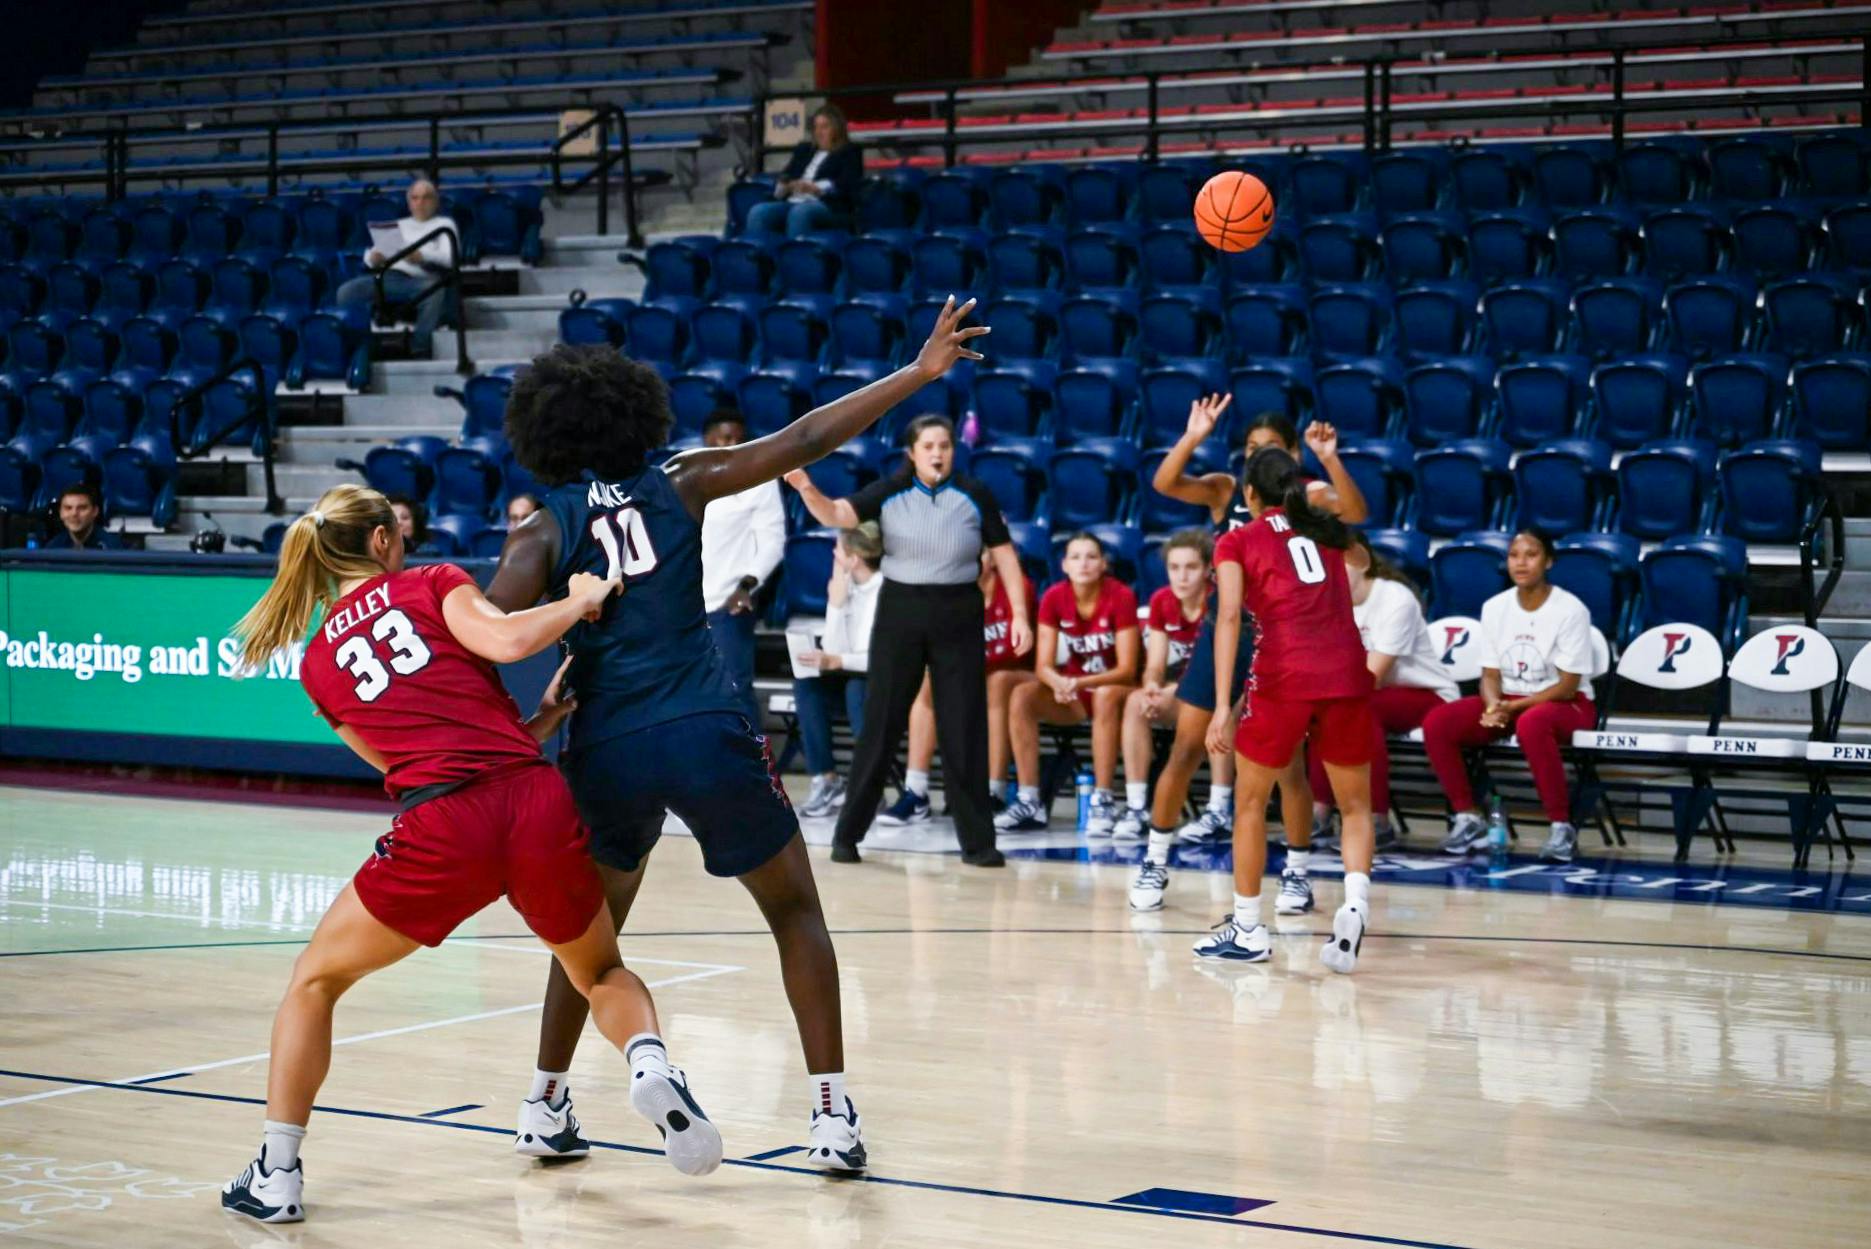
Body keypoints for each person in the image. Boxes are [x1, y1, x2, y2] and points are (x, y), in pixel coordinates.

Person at [486, 297, 988, 1172]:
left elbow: (485, 631)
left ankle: (543, 1102)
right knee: (794, 908)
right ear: (633, 409)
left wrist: (516, 720)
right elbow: (800, 441)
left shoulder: (541, 526)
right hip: (701, 724)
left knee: (588, 940)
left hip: (604, 742)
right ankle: (829, 1116)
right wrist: (915, 374)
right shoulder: (678, 477)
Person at [219, 485, 719, 1226]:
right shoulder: (432, 582)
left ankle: (277, 1171)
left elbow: (405, 755)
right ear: (385, 541)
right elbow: (509, 640)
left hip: (445, 824)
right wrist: (581, 597)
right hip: (531, 799)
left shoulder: (319, 664)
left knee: (314, 982)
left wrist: (533, 720)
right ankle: (648, 1062)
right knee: (600, 970)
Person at [1128, 399, 1367, 915]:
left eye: (1272, 449)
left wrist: (1330, 461)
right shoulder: (1227, 491)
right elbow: (1165, 483)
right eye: (1254, 449)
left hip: (1284, 640)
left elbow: (1353, 513)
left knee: (1289, 770)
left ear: (1293, 452)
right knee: (1188, 748)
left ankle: (1297, 874)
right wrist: (1192, 436)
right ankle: (1155, 859)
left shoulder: (1306, 495)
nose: (1261, 456)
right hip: (1228, 634)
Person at [785, 414, 1032, 867]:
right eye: (928, 446)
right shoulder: (890, 491)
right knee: (881, 725)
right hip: (901, 613)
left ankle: (978, 843)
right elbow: (838, 515)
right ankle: (848, 835)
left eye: (945, 445)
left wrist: (1020, 614)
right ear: (912, 453)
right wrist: (806, 487)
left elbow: (1005, 557)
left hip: (958, 612)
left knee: (964, 729)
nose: (937, 453)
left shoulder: (975, 494)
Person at [1195, 448, 1377, 974]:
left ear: (1249, 494)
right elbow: (1362, 540)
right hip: (1345, 672)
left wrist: (1223, 705)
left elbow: (1228, 617)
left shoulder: (1237, 539)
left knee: (1250, 802)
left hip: (1284, 675)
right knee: (1355, 805)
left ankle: (1249, 928)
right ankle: (1356, 903)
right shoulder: (1324, 526)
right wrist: (1333, 467)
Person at [1422, 529, 1598, 864]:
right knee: (1439, 721)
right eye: (1514, 555)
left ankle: (1562, 828)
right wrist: (1491, 706)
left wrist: (1510, 707)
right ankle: (1468, 818)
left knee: (1532, 724)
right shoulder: (1495, 607)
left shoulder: (1570, 610)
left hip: (1566, 704)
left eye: (1531, 554)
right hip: (1509, 700)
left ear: (1548, 561)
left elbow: (1567, 685)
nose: (1521, 562)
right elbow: (1489, 674)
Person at [1307, 531, 1459, 849]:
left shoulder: (1395, 599)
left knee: (1360, 709)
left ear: (1362, 562)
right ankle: (1318, 813)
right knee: (1323, 709)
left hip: (1426, 694)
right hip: (1373, 693)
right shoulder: (1328, 603)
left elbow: (1372, 676)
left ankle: (1377, 820)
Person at [995, 531, 1141, 833]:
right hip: (1076, 692)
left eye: (1091, 557)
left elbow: (1127, 669)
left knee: (1104, 695)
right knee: (1022, 694)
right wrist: (1059, 683)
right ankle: (1029, 800)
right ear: (1064, 565)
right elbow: (1043, 665)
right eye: (1075, 557)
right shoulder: (1053, 596)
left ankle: (1103, 799)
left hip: (1118, 691)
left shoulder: (1121, 595)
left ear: (1103, 564)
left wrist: (1078, 683)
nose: (1083, 563)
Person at [881, 550, 1037, 825]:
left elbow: (1021, 650)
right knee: (926, 683)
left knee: (997, 682)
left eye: (980, 554)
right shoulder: (950, 591)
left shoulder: (1017, 587)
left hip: (1018, 673)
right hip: (973, 670)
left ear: (993, 558)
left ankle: (993, 790)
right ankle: (916, 792)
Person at [1111, 531, 1212, 838]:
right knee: (1136, 702)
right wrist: (1153, 685)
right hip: (1178, 694)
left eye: (1190, 568)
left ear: (1208, 570)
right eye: (1174, 567)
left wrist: (1176, 689)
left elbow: (1222, 671)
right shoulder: (1161, 600)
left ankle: (1219, 810)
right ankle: (1137, 806)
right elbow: (1155, 663)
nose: (1181, 576)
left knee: (1223, 709)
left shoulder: (1219, 602)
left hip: (1220, 694)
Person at [698, 409, 787, 729]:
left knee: (735, 691)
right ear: (707, 440)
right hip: (684, 605)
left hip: (728, 606)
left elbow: (773, 542)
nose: (732, 444)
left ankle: (757, 770)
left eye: (739, 439)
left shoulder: (759, 481)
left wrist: (747, 585)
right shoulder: (684, 477)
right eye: (724, 438)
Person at [793, 522, 885, 818]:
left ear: (854, 558)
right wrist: (835, 603)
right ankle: (826, 779)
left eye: (838, 550)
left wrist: (837, 661)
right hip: (851, 678)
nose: (833, 553)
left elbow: (878, 659)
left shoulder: (885, 591)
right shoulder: (849, 589)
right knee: (808, 684)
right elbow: (833, 648)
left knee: (856, 687)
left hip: (882, 684)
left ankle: (870, 788)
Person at [334, 178, 459, 357]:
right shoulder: (400, 225)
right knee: (346, 292)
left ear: (436, 201)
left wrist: (421, 256)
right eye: (415, 198)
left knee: (433, 290)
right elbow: (371, 255)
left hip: (423, 277)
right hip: (389, 275)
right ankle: (360, 346)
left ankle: (420, 346)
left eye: (426, 198)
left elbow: (451, 259)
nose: (420, 203)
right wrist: (373, 258)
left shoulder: (444, 225)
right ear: (409, 203)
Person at [746, 104, 864, 238]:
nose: (819, 132)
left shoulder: (849, 151)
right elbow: (786, 176)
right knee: (759, 212)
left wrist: (816, 188)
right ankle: (759, 256)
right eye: (816, 127)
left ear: (837, 129)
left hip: (828, 205)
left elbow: (847, 184)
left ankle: (796, 257)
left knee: (800, 212)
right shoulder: (804, 150)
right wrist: (784, 186)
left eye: (824, 127)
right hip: (794, 201)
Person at [44, 483, 121, 551]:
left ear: (95, 511)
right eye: (68, 508)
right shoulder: (53, 547)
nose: (74, 513)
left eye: (82, 508)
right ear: (60, 513)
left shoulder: (112, 547)